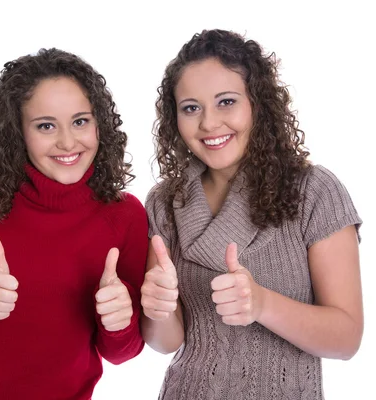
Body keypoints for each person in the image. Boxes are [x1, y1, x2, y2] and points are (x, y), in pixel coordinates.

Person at [0, 48, 148, 400]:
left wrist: (119, 319)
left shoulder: (125, 215)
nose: (68, 142)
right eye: (46, 126)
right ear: (18, 133)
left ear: (100, 123)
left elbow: (122, 352)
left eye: (80, 121)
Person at [141, 29, 363, 399]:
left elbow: (346, 338)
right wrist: (158, 307)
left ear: (257, 104)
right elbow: (166, 343)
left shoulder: (313, 191)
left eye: (226, 102)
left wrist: (261, 303)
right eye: (191, 108)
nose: (209, 123)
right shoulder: (164, 202)